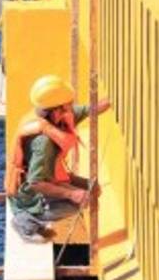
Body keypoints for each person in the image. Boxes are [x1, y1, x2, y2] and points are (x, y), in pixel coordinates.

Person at [6, 75, 110, 241]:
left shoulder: (57, 116)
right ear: (56, 110)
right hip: (29, 194)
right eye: (68, 105)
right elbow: (36, 183)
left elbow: (92, 109)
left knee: (93, 188)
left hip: (51, 177)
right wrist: (71, 194)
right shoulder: (43, 143)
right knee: (81, 200)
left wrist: (115, 97)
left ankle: (39, 211)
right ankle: (26, 219)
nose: (71, 106)